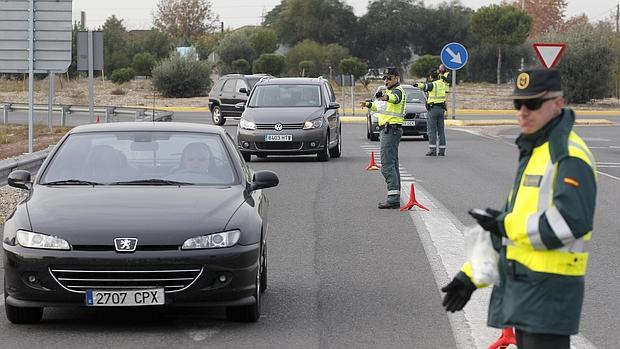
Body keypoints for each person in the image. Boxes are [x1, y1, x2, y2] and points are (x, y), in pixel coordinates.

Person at [440, 68, 597, 349]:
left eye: (533, 103)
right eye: (518, 103)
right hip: (525, 293)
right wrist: (470, 276)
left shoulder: (568, 155)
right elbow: (512, 229)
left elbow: (569, 222)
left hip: (548, 296)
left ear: (558, 104)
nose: (523, 111)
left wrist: (502, 224)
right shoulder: (537, 150)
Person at [359, 67, 406, 209]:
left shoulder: (397, 91)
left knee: (386, 165)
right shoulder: (389, 90)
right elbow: (380, 107)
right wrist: (368, 104)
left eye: (389, 78)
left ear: (396, 78)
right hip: (388, 130)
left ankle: (392, 199)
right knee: (392, 164)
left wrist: (385, 97)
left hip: (391, 130)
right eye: (384, 78)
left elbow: (394, 99)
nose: (386, 81)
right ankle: (395, 197)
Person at [413, 70, 448, 156]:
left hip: (433, 109)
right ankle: (442, 150)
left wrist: (416, 84)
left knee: (432, 130)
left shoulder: (433, 84)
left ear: (431, 77)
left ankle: (432, 149)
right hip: (441, 109)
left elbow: (425, 86)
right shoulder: (442, 84)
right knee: (441, 131)